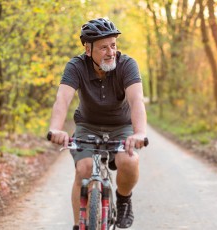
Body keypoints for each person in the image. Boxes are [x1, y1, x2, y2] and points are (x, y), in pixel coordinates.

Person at [47, 18, 147, 230]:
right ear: (88, 49)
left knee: (129, 161)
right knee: (84, 168)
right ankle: (78, 225)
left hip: (121, 127)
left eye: (113, 45)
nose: (111, 52)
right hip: (88, 126)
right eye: (103, 47)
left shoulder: (127, 65)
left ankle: (123, 199)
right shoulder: (76, 66)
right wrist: (56, 128)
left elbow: (136, 100)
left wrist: (139, 133)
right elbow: (62, 99)